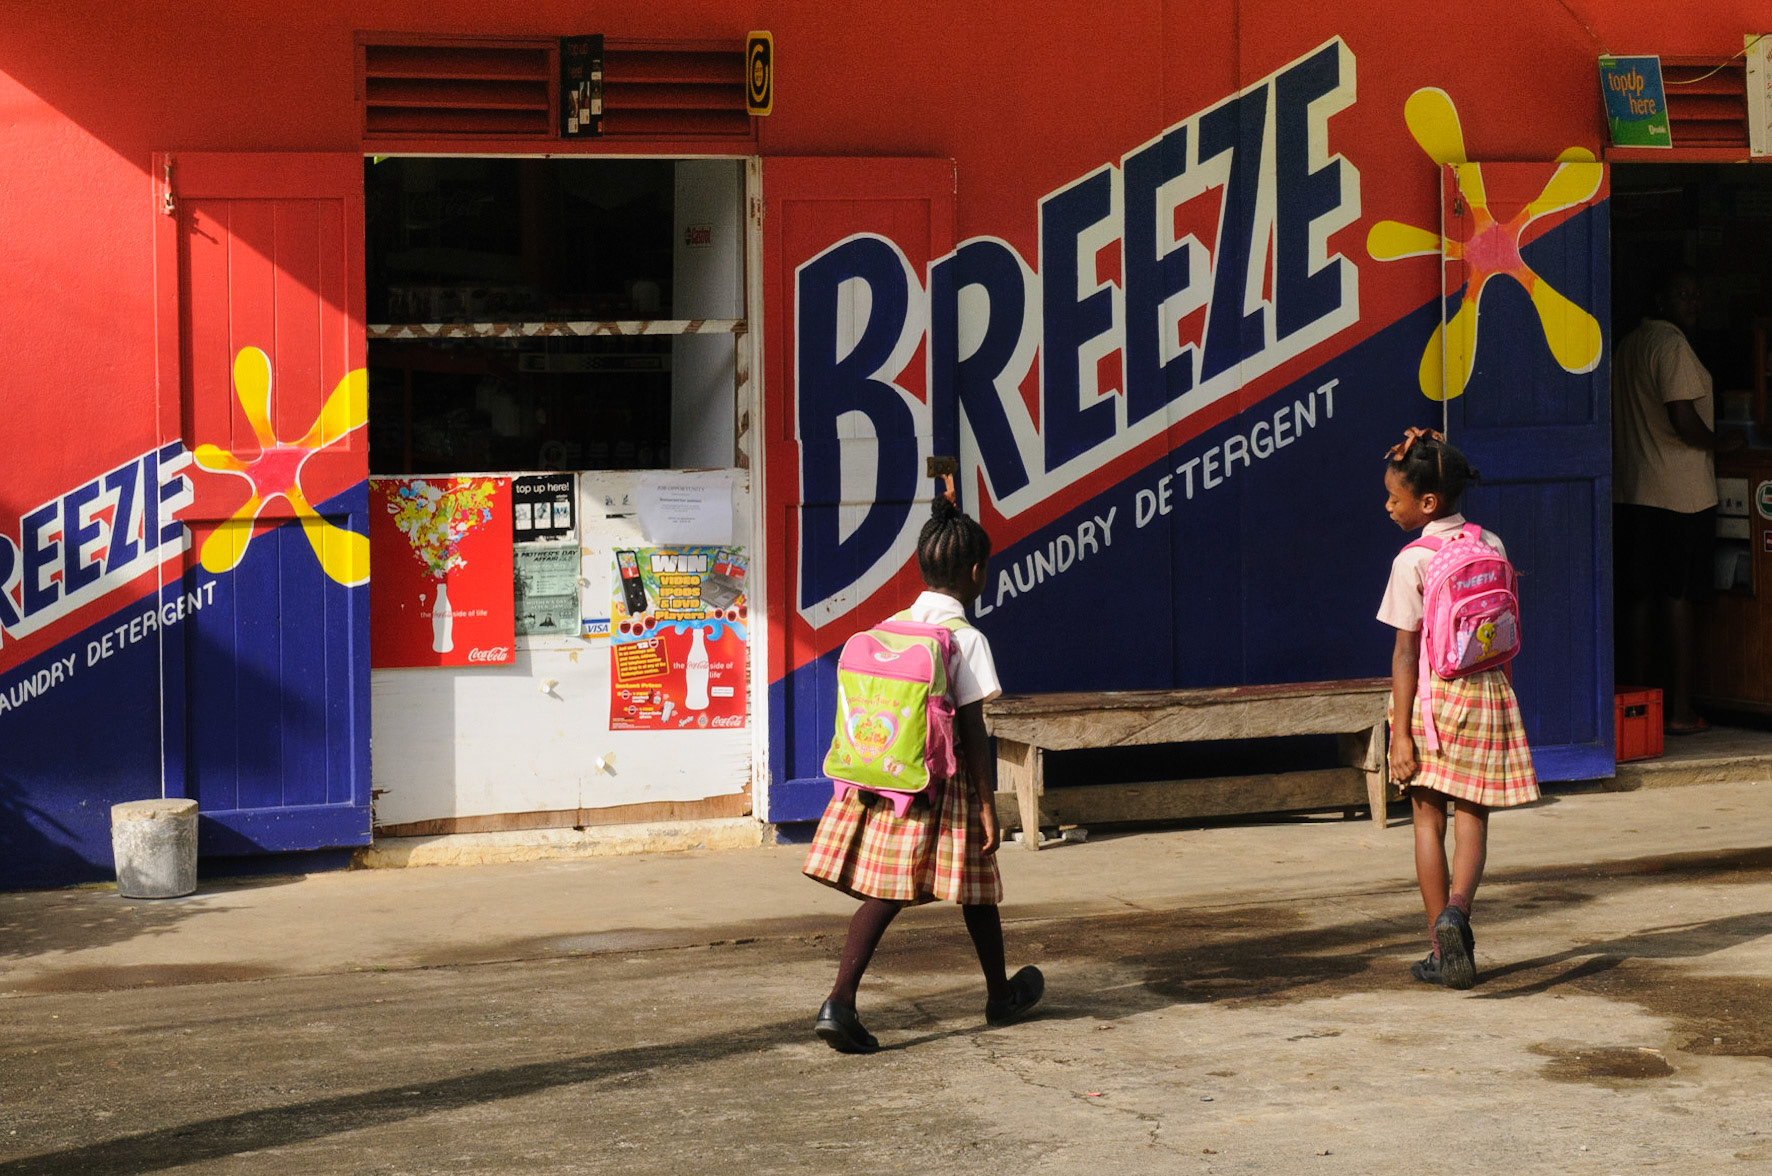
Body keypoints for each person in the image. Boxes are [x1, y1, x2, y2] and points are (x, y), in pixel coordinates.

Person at [802, 493, 1043, 1052]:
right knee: (945, 889)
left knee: (937, 891)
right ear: (977, 571)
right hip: (945, 785)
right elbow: (975, 735)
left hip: (888, 782)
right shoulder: (967, 640)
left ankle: (993, 993)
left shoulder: (890, 628)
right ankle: (840, 1001)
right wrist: (988, 805)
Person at [1379, 428, 1540, 990]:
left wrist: (1400, 733)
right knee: (1474, 817)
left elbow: (1404, 653)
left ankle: (1438, 949)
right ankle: (1459, 913)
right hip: (1488, 692)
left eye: (1395, 498)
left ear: (1427, 503)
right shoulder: (1490, 543)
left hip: (1431, 697)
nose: (1388, 506)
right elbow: (1503, 633)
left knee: (1428, 819)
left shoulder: (1412, 561)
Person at [1612, 265, 1733, 735]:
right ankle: (1681, 711)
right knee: (1680, 599)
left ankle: (1638, 708)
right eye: (1683, 294)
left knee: (1640, 600)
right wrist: (1722, 445)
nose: (1694, 303)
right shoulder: (1672, 345)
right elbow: (1683, 418)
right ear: (1660, 300)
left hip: (1633, 493)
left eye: (1697, 294)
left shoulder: (1628, 344)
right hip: (1680, 496)